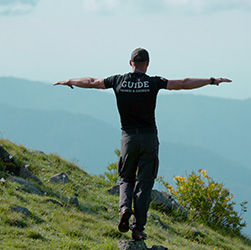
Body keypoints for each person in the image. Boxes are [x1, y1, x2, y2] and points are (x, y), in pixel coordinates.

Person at [54, 48, 231, 241]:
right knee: (144, 184)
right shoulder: (153, 82)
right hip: (149, 138)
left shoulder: (118, 81)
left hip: (128, 138)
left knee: (126, 178)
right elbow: (183, 83)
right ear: (147, 64)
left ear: (130, 63)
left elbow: (92, 82)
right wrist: (211, 80)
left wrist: (70, 81)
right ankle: (138, 229)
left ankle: (124, 210)